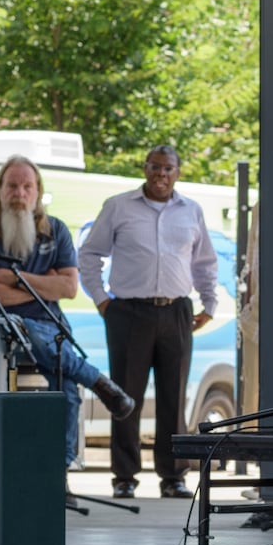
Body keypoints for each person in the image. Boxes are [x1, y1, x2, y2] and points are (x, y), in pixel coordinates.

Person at [0, 155, 135, 473]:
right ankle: (98, 381)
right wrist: (44, 285)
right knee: (24, 326)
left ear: (38, 191)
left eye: (27, 186)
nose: (20, 192)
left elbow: (69, 288)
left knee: (66, 387)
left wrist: (13, 277)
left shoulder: (55, 230)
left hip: (49, 324)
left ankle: (61, 470)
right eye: (12, 185)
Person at [77, 145, 218, 499]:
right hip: (127, 313)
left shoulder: (192, 211)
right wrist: (102, 300)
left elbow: (204, 263)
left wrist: (210, 304)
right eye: (155, 167)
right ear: (145, 168)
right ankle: (124, 477)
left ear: (178, 172)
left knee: (174, 396)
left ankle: (173, 477)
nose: (161, 174)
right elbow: (89, 254)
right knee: (126, 396)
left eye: (168, 168)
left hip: (176, 312)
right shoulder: (118, 206)